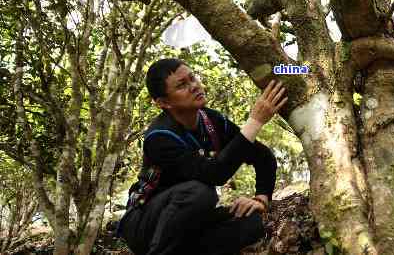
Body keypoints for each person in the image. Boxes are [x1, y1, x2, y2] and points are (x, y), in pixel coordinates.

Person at [118, 58, 287, 255]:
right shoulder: (159, 137)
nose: (194, 86)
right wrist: (255, 121)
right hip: (144, 223)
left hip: (188, 222)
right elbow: (214, 174)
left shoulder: (211, 121)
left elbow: (263, 156)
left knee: (252, 223)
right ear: (163, 103)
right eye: (182, 85)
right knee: (200, 192)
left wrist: (260, 199)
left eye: (192, 78)